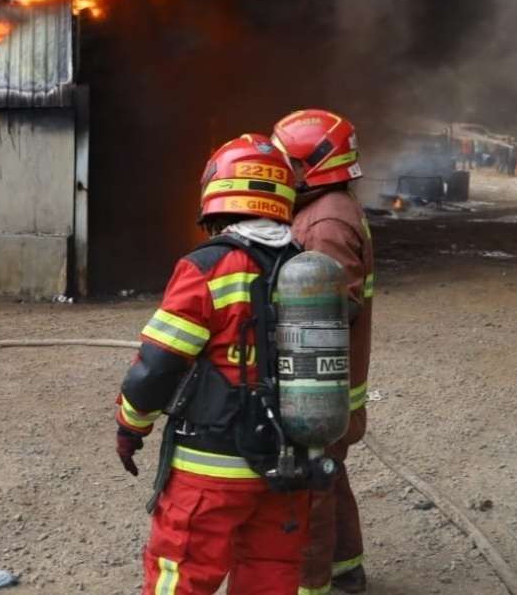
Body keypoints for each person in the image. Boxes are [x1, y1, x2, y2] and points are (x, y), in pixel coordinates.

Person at [114, 134, 312, 594]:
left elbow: (158, 365)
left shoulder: (208, 267)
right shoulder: (307, 268)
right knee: (271, 573)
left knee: (182, 573)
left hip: (212, 466)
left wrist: (130, 425)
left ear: (216, 190)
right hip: (290, 462)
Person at [272, 109, 373, 595]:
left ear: (315, 164)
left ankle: (311, 587)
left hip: (321, 390)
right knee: (327, 475)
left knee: (308, 489)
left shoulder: (326, 222)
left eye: (286, 162)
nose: (277, 173)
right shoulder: (326, 208)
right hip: (333, 388)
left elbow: (329, 314)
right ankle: (346, 570)